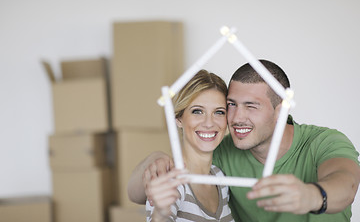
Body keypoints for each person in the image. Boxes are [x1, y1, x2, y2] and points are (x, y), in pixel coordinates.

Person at [128, 60, 360, 222]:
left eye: (251, 106)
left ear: (280, 110)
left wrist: (311, 196)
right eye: (231, 105)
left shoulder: (324, 141)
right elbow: (138, 195)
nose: (237, 118)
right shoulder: (221, 154)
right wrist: (156, 158)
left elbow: (346, 184)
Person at [145, 69, 234, 222]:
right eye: (197, 111)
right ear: (178, 118)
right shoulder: (171, 181)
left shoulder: (220, 178)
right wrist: (160, 214)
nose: (209, 123)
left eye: (219, 112)